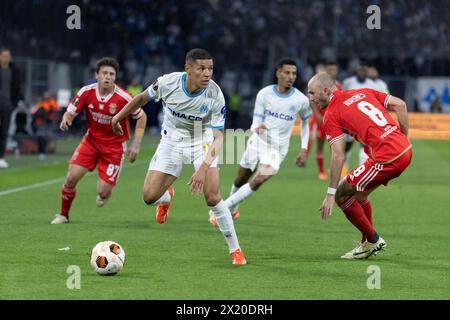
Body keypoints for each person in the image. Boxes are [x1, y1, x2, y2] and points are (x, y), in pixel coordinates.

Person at [111, 48, 246, 265]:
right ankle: (166, 197)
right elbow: (141, 98)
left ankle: (235, 250)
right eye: (201, 68)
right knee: (149, 197)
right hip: (171, 141)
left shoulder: (215, 94)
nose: (207, 74)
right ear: (188, 68)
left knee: (212, 196)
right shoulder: (168, 83)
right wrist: (117, 117)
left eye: (210, 68)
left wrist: (202, 168)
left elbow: (219, 137)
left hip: (201, 142)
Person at [308, 72, 412, 259]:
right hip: (404, 149)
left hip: (386, 157)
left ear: (325, 90)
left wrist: (330, 194)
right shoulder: (363, 92)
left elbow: (338, 155)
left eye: (312, 93)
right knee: (360, 193)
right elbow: (400, 105)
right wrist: (403, 137)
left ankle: (373, 240)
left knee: (342, 192)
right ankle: (367, 243)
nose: (311, 98)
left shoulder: (331, 113)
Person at [209, 58, 311, 226]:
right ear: (278, 73)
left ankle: (223, 209)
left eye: (294, 73)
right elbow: (256, 120)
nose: (291, 76)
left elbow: (306, 122)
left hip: (277, 149)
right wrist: (257, 127)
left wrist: (304, 148)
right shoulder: (264, 94)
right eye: (287, 72)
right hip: (257, 142)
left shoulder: (301, 100)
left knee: (258, 180)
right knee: (240, 180)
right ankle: (233, 209)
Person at [51, 57, 147, 224]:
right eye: (104, 73)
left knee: (103, 192)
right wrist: (66, 120)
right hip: (91, 142)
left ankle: (104, 195)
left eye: (111, 74)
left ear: (115, 77)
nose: (107, 77)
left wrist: (136, 145)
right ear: (97, 75)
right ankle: (63, 215)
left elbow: (141, 117)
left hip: (114, 148)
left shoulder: (124, 97)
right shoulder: (86, 92)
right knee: (71, 178)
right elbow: (70, 112)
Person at [341, 65, 378, 176]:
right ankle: (343, 171)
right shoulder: (348, 82)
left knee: (364, 146)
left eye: (364, 71)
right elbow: (342, 98)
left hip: (365, 121)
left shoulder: (372, 85)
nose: (361, 73)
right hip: (350, 120)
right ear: (356, 71)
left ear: (366, 72)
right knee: (347, 146)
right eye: (360, 70)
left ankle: (363, 172)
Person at [308, 61, 342, 180]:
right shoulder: (318, 84)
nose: (333, 72)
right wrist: (317, 115)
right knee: (321, 145)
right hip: (321, 120)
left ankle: (333, 169)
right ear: (327, 71)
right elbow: (311, 100)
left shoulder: (338, 85)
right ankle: (321, 171)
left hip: (334, 121)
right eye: (331, 70)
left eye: (335, 70)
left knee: (335, 147)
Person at [0, 48, 23, 168]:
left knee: (4, 132)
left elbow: (18, 89)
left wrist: (14, 103)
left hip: (8, 106)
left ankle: (1, 157)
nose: (5, 58)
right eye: (3, 56)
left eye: (7, 56)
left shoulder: (14, 71)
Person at [31, 92, 61, 160]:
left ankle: (48, 151)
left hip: (49, 123)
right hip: (41, 124)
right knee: (41, 137)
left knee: (48, 138)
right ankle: (41, 152)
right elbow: (34, 113)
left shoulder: (52, 103)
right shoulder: (41, 104)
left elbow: (56, 109)